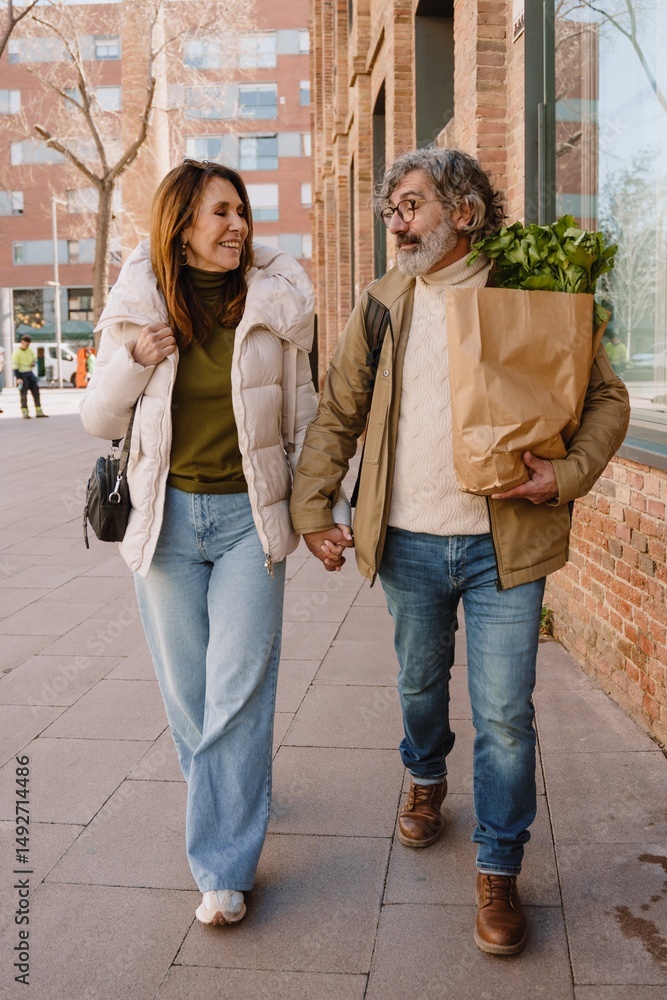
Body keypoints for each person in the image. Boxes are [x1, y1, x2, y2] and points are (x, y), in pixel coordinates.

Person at [290, 147, 630, 956]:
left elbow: (606, 397)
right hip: (407, 542)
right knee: (417, 685)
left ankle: (498, 867)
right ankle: (425, 774)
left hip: (501, 548)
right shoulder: (382, 303)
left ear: (464, 213)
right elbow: (338, 412)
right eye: (390, 210)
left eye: (409, 206)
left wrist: (565, 475)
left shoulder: (531, 293)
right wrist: (313, 507)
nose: (394, 223)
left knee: (506, 715)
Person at [81, 159, 348, 927]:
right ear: (182, 226)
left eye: (240, 211)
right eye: (220, 213)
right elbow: (98, 421)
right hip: (163, 524)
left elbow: (306, 418)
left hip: (245, 522)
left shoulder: (274, 301)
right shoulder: (139, 304)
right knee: (191, 699)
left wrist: (321, 510)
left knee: (237, 692)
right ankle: (234, 794)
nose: (237, 225)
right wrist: (134, 361)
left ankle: (223, 869)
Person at [12, 335, 49, 418]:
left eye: (28, 344)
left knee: (36, 392)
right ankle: (25, 412)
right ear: (22, 342)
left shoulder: (30, 351)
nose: (27, 346)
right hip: (21, 374)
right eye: (26, 344)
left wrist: (33, 363)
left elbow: (34, 360)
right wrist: (18, 378)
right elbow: (14, 366)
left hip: (30, 373)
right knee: (23, 394)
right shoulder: (16, 353)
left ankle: (39, 411)